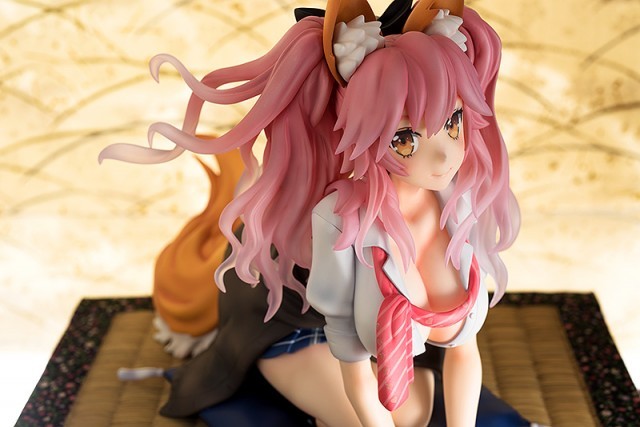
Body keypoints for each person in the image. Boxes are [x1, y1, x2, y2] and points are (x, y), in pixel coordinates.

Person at [100, 1, 520, 425]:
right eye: (405, 138)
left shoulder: (459, 203)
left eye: (453, 122)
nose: (444, 155)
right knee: (398, 417)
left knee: (415, 411)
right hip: (288, 317)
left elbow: (464, 348)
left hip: (396, 345)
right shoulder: (340, 220)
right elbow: (353, 365)